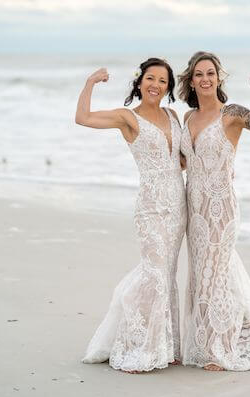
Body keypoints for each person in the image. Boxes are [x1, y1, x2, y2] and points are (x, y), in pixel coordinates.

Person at [178, 51, 250, 371]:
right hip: (194, 207)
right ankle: (206, 343)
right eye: (199, 74)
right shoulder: (187, 119)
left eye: (211, 74)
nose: (205, 79)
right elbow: (187, 162)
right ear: (191, 80)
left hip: (221, 207)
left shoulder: (233, 113)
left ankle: (220, 349)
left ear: (218, 78)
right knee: (202, 276)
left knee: (216, 275)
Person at [76, 58, 186, 373]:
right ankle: (139, 347)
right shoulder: (129, 117)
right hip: (150, 207)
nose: (155, 85)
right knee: (153, 274)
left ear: (168, 87)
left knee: (166, 276)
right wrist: (90, 83)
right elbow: (82, 118)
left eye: (162, 81)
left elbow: (178, 161)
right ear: (139, 83)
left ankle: (165, 346)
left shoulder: (172, 115)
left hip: (178, 208)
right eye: (150, 78)